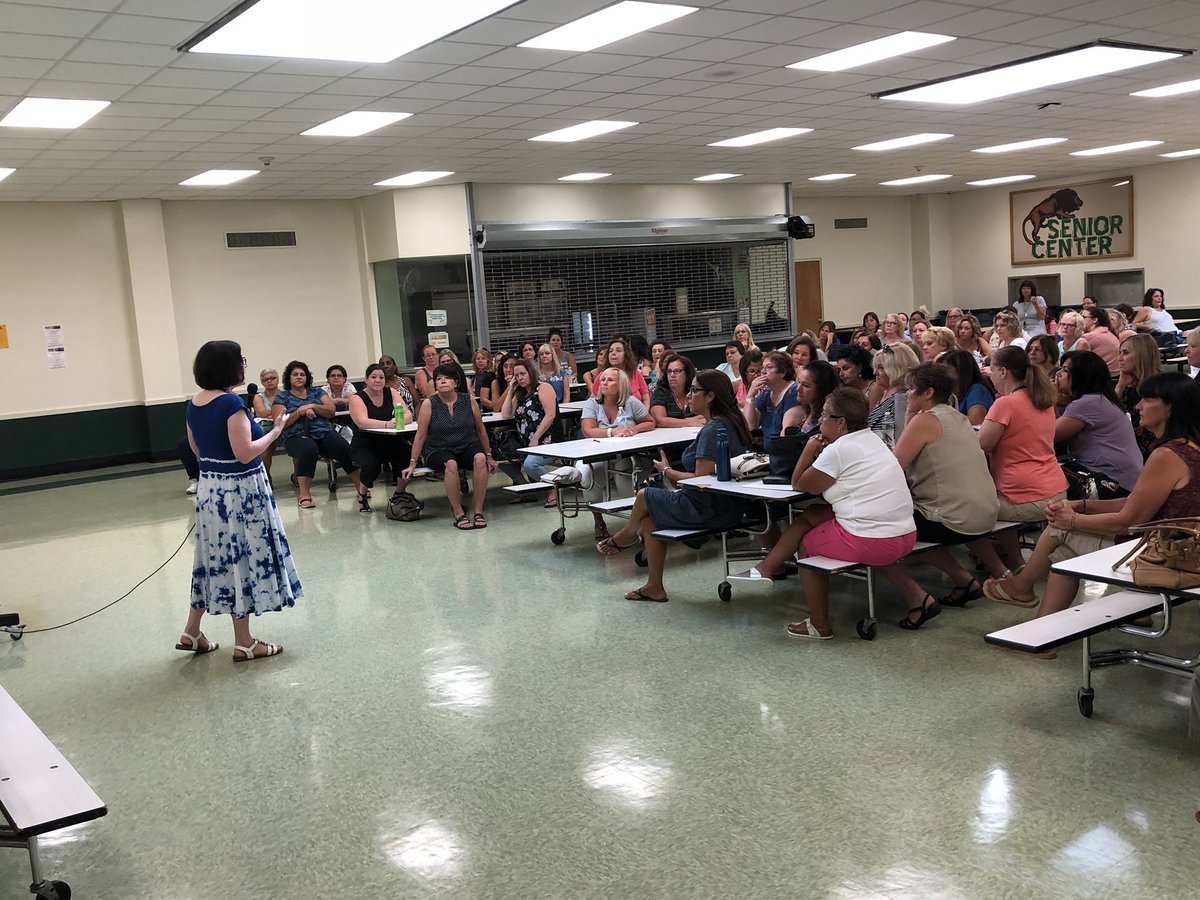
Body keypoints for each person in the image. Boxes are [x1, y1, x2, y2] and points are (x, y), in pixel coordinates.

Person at [983, 373, 1200, 614]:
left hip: (1160, 554)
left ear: (1170, 408)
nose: (1138, 406)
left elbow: (1128, 521)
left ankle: (1021, 588)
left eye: (1147, 399)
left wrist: (1073, 520)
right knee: (1064, 557)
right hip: (1178, 546)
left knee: (1058, 528)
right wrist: (1083, 505)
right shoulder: (1190, 446)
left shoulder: (1167, 455)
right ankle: (1043, 628)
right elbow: (1135, 502)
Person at [732, 387, 916, 639]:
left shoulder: (838, 450)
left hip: (874, 540)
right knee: (813, 514)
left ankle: (819, 624)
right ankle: (766, 567)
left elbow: (800, 484)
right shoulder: (874, 439)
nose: (819, 422)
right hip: (905, 534)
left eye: (825, 416)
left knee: (808, 545)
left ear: (840, 423)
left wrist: (808, 451)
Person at [181, 340, 297, 662]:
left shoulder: (194, 403)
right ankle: (245, 642)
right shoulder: (231, 404)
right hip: (241, 491)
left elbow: (196, 449)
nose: (244, 364)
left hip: (211, 489)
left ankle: (192, 631)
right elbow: (244, 452)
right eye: (241, 359)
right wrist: (275, 431)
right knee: (239, 559)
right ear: (228, 366)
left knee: (211, 558)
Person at [597, 370, 752, 602]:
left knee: (644, 495)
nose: (689, 395)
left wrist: (667, 472)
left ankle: (628, 534)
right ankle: (654, 587)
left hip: (707, 507)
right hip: (725, 505)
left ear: (709, 396)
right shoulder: (728, 422)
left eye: (694, 390)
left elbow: (701, 480)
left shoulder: (713, 430)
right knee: (650, 519)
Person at [877, 363, 999, 616]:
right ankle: (963, 581)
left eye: (912, 389)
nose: (907, 394)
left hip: (951, 518)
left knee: (886, 527)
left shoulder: (925, 420)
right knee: (914, 520)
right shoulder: (957, 416)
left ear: (928, 393)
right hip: (985, 512)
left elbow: (894, 467)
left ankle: (921, 596)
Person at [970, 346, 1066, 579]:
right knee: (993, 501)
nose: (988, 374)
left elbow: (981, 447)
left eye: (991, 369)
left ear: (1003, 372)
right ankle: (1017, 563)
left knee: (966, 515)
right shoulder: (1042, 400)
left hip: (1026, 496)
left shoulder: (1005, 404)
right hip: (1056, 489)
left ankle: (1005, 570)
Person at [401, 362, 499, 530]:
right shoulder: (429, 404)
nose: (443, 381)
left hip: (466, 445)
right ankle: (458, 512)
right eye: (439, 379)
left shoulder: (468, 401)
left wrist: (490, 456)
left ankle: (478, 510)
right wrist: (412, 463)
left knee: (480, 458)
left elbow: (481, 431)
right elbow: (420, 436)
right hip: (438, 449)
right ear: (435, 384)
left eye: (447, 378)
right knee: (451, 464)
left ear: (456, 382)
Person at [273, 359, 364, 509]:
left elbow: (331, 410)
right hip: (295, 437)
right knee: (309, 449)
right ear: (288, 378)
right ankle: (304, 494)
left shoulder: (317, 392)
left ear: (307, 377)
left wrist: (313, 406)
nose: (299, 377)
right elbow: (279, 423)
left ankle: (360, 487)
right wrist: (299, 412)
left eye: (302, 374)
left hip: (323, 432)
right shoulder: (282, 398)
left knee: (343, 447)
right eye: (295, 374)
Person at [1053, 350, 1143, 495]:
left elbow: (1049, 434)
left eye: (1064, 370)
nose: (1057, 375)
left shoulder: (1088, 403)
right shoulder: (1100, 398)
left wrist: (1048, 400)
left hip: (1112, 483)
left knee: (1042, 475)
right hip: (1127, 479)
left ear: (1081, 376)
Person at [580, 367, 656, 539]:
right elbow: (588, 430)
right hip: (597, 453)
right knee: (588, 475)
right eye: (603, 379)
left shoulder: (630, 401)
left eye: (610, 380)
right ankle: (598, 520)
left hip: (625, 454)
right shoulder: (592, 403)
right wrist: (611, 432)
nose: (604, 382)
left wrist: (634, 429)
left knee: (624, 474)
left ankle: (635, 522)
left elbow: (650, 422)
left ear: (620, 384)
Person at [348, 363, 415, 513]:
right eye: (373, 377)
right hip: (365, 443)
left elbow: (408, 415)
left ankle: (399, 493)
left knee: (407, 455)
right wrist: (387, 424)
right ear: (366, 379)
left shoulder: (391, 392)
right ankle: (363, 495)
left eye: (381, 377)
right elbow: (362, 422)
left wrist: (397, 421)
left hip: (391, 441)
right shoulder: (356, 398)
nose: (378, 380)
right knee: (371, 465)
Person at [500, 357, 561, 506]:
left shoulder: (543, 388)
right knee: (499, 455)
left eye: (523, 374)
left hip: (547, 440)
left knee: (530, 465)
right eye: (517, 375)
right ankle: (525, 486)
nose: (520, 378)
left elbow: (550, 415)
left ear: (531, 373)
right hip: (525, 442)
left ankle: (553, 489)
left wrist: (536, 438)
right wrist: (510, 391)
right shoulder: (520, 394)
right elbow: (506, 414)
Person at [1117, 332, 1163, 460]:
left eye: (1125, 353)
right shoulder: (1127, 386)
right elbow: (1108, 417)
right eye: (1119, 353)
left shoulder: (1161, 386)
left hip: (1155, 450)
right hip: (1130, 448)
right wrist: (1120, 386)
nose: (1119, 358)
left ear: (1141, 355)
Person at [743, 350, 799, 449]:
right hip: (766, 452)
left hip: (782, 452)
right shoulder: (766, 393)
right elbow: (750, 425)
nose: (763, 372)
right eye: (763, 368)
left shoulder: (794, 392)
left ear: (783, 371)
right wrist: (750, 395)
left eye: (769, 367)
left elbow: (786, 435)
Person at [868, 343, 919, 448]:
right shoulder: (883, 393)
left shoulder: (905, 399)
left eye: (881, 368)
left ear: (898, 369)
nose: (874, 372)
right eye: (875, 367)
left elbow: (901, 438)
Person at [650, 353, 705, 428]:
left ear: (687, 373)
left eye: (677, 371)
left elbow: (705, 414)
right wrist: (689, 422)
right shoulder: (660, 392)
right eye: (669, 371)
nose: (672, 375)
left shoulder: (696, 390)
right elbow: (659, 421)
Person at [940, 350, 994, 426]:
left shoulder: (977, 390)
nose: (941, 373)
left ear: (960, 369)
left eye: (946, 368)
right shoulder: (953, 390)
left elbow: (976, 420)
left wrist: (942, 420)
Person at [592, 335, 650, 405]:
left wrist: (643, 413)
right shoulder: (603, 375)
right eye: (611, 351)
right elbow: (593, 399)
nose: (613, 353)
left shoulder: (636, 374)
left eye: (618, 350)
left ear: (626, 355)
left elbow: (646, 398)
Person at [250, 366, 283, 478]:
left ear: (278, 379)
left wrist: (272, 413)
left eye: (272, 378)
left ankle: (298, 476)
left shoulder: (285, 394)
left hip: (286, 426)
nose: (269, 381)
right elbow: (262, 413)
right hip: (267, 428)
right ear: (262, 382)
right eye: (265, 379)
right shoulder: (258, 397)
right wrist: (278, 411)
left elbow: (290, 411)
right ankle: (266, 477)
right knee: (265, 447)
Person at [1081, 306, 1120, 375]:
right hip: (1114, 375)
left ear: (1095, 320)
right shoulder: (1107, 331)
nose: (1079, 321)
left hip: (1103, 378)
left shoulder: (1090, 336)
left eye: (1083, 317)